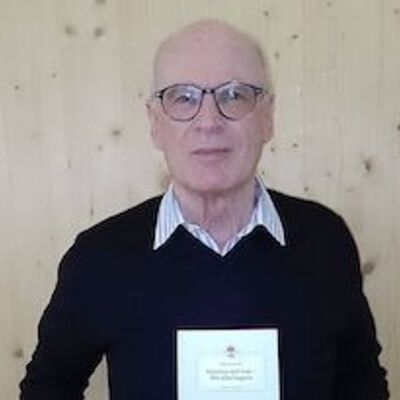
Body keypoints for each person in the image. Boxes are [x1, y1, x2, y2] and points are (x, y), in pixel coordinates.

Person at [20, 20, 389, 399]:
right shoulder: (101, 257)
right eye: (183, 98)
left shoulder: (325, 240)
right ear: (155, 123)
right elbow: (48, 388)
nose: (209, 121)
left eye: (234, 95)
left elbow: (361, 383)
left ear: (267, 118)